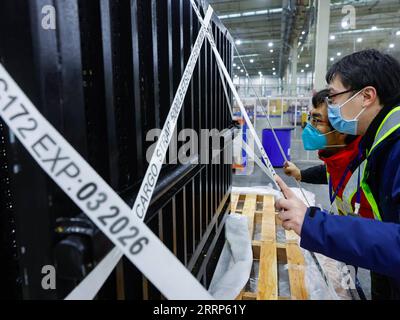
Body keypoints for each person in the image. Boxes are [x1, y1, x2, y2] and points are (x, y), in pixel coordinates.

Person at [275, 49, 400, 299]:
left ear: (367, 96)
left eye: (333, 98)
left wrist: (313, 224)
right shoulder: (378, 145)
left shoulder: (392, 148)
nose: (331, 107)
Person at [284, 89, 373, 218]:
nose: (309, 127)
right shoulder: (337, 159)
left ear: (342, 128)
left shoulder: (371, 167)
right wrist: (300, 174)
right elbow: (330, 172)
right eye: (310, 119)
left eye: (317, 121)